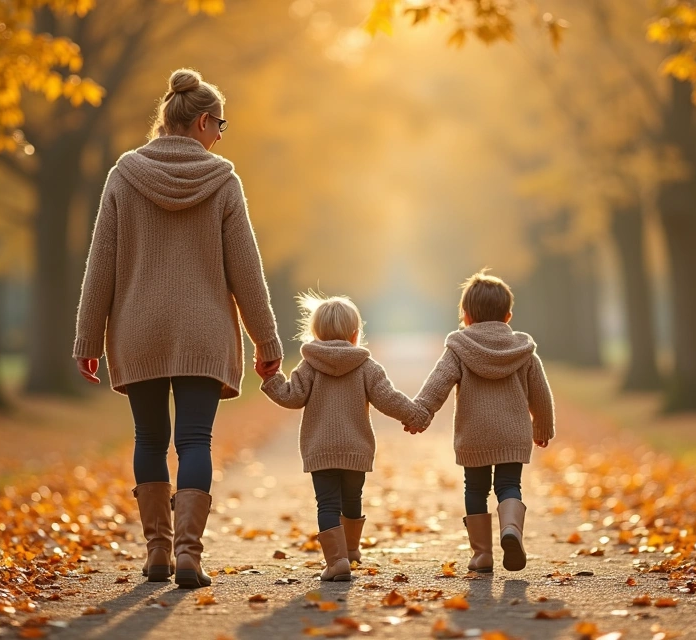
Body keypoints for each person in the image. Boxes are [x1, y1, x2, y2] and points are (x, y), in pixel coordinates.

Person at [72, 68, 283, 589]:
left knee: (149, 437)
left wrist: (87, 339)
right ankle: (190, 554)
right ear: (204, 120)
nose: (219, 136)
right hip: (204, 332)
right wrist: (267, 340)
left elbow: (101, 264)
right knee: (194, 440)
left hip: (137, 328)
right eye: (220, 126)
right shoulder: (223, 180)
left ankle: (158, 554)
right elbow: (246, 271)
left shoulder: (124, 174)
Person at [259, 293, 429, 582]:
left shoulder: (308, 366)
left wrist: (270, 379)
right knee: (353, 499)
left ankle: (337, 561)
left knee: (327, 504)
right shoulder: (367, 367)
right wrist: (415, 415)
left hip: (320, 449)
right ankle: (350, 551)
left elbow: (291, 396)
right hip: (355, 449)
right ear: (355, 334)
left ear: (315, 333)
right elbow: (389, 399)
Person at [408, 270, 555, 573]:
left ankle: (482, 554)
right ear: (508, 315)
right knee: (509, 485)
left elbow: (437, 386)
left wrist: (419, 415)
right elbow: (541, 395)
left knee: (475, 489)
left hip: (474, 435)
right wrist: (542, 428)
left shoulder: (459, 348)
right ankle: (510, 530)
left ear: (466, 315)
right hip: (512, 434)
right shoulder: (524, 351)